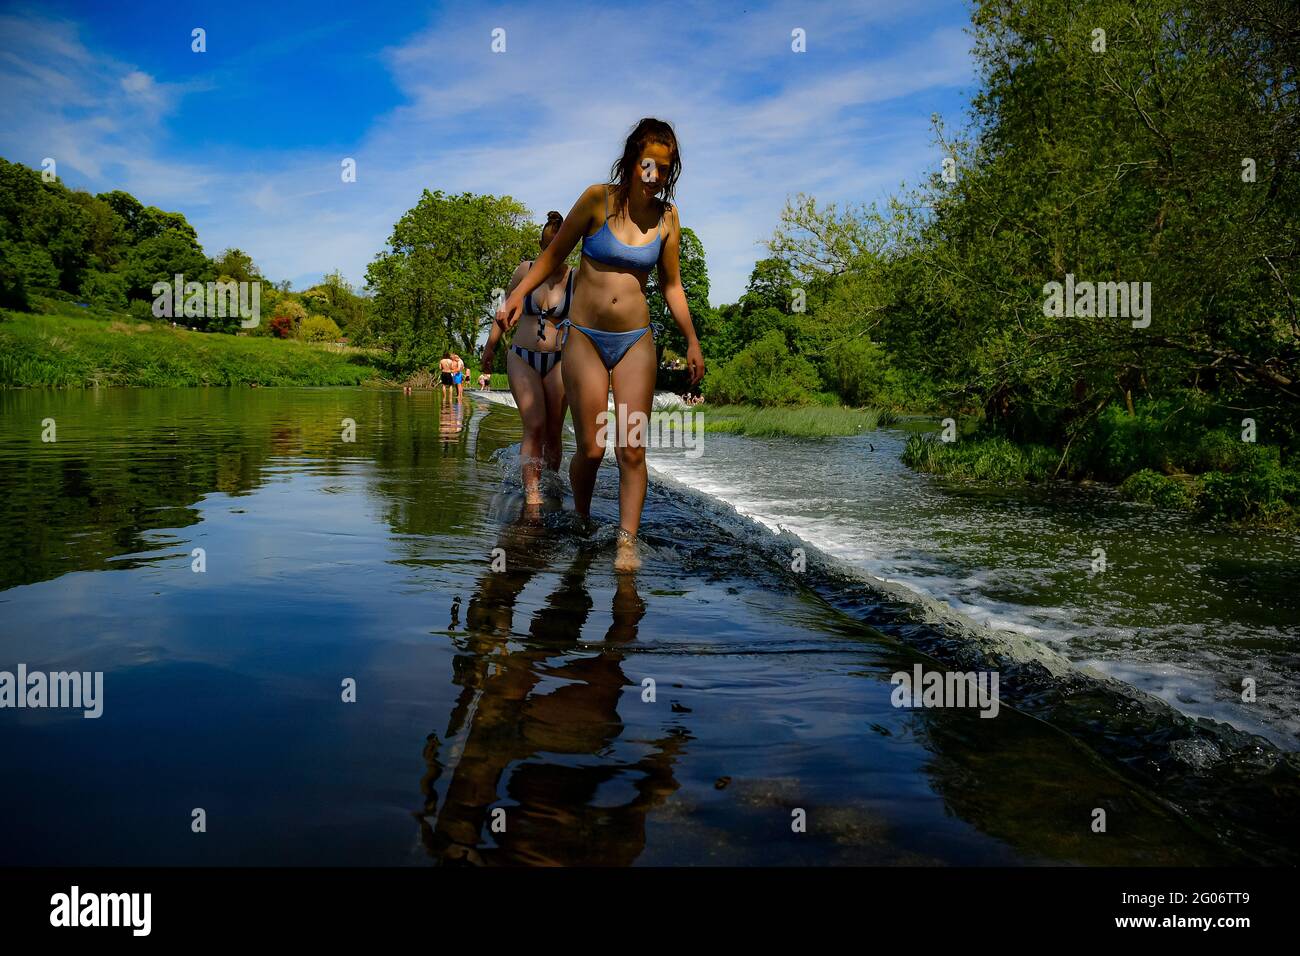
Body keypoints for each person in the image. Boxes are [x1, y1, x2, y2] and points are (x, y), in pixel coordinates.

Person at [496, 118, 704, 570]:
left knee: (631, 449)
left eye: (663, 169)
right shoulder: (597, 200)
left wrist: (691, 340)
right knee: (591, 449)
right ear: (631, 162)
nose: (654, 177)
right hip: (585, 339)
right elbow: (554, 256)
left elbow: (672, 285)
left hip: (636, 341)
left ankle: (627, 545)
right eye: (647, 165)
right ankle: (583, 520)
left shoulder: (668, 218)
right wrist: (516, 296)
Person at [483, 211, 574, 504]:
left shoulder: (578, 277)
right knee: (534, 425)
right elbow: (504, 309)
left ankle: (552, 486)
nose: (551, 254)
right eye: (546, 247)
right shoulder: (525, 270)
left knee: (553, 434)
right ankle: (533, 498)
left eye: (557, 247)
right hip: (522, 357)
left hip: (559, 361)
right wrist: (490, 348)